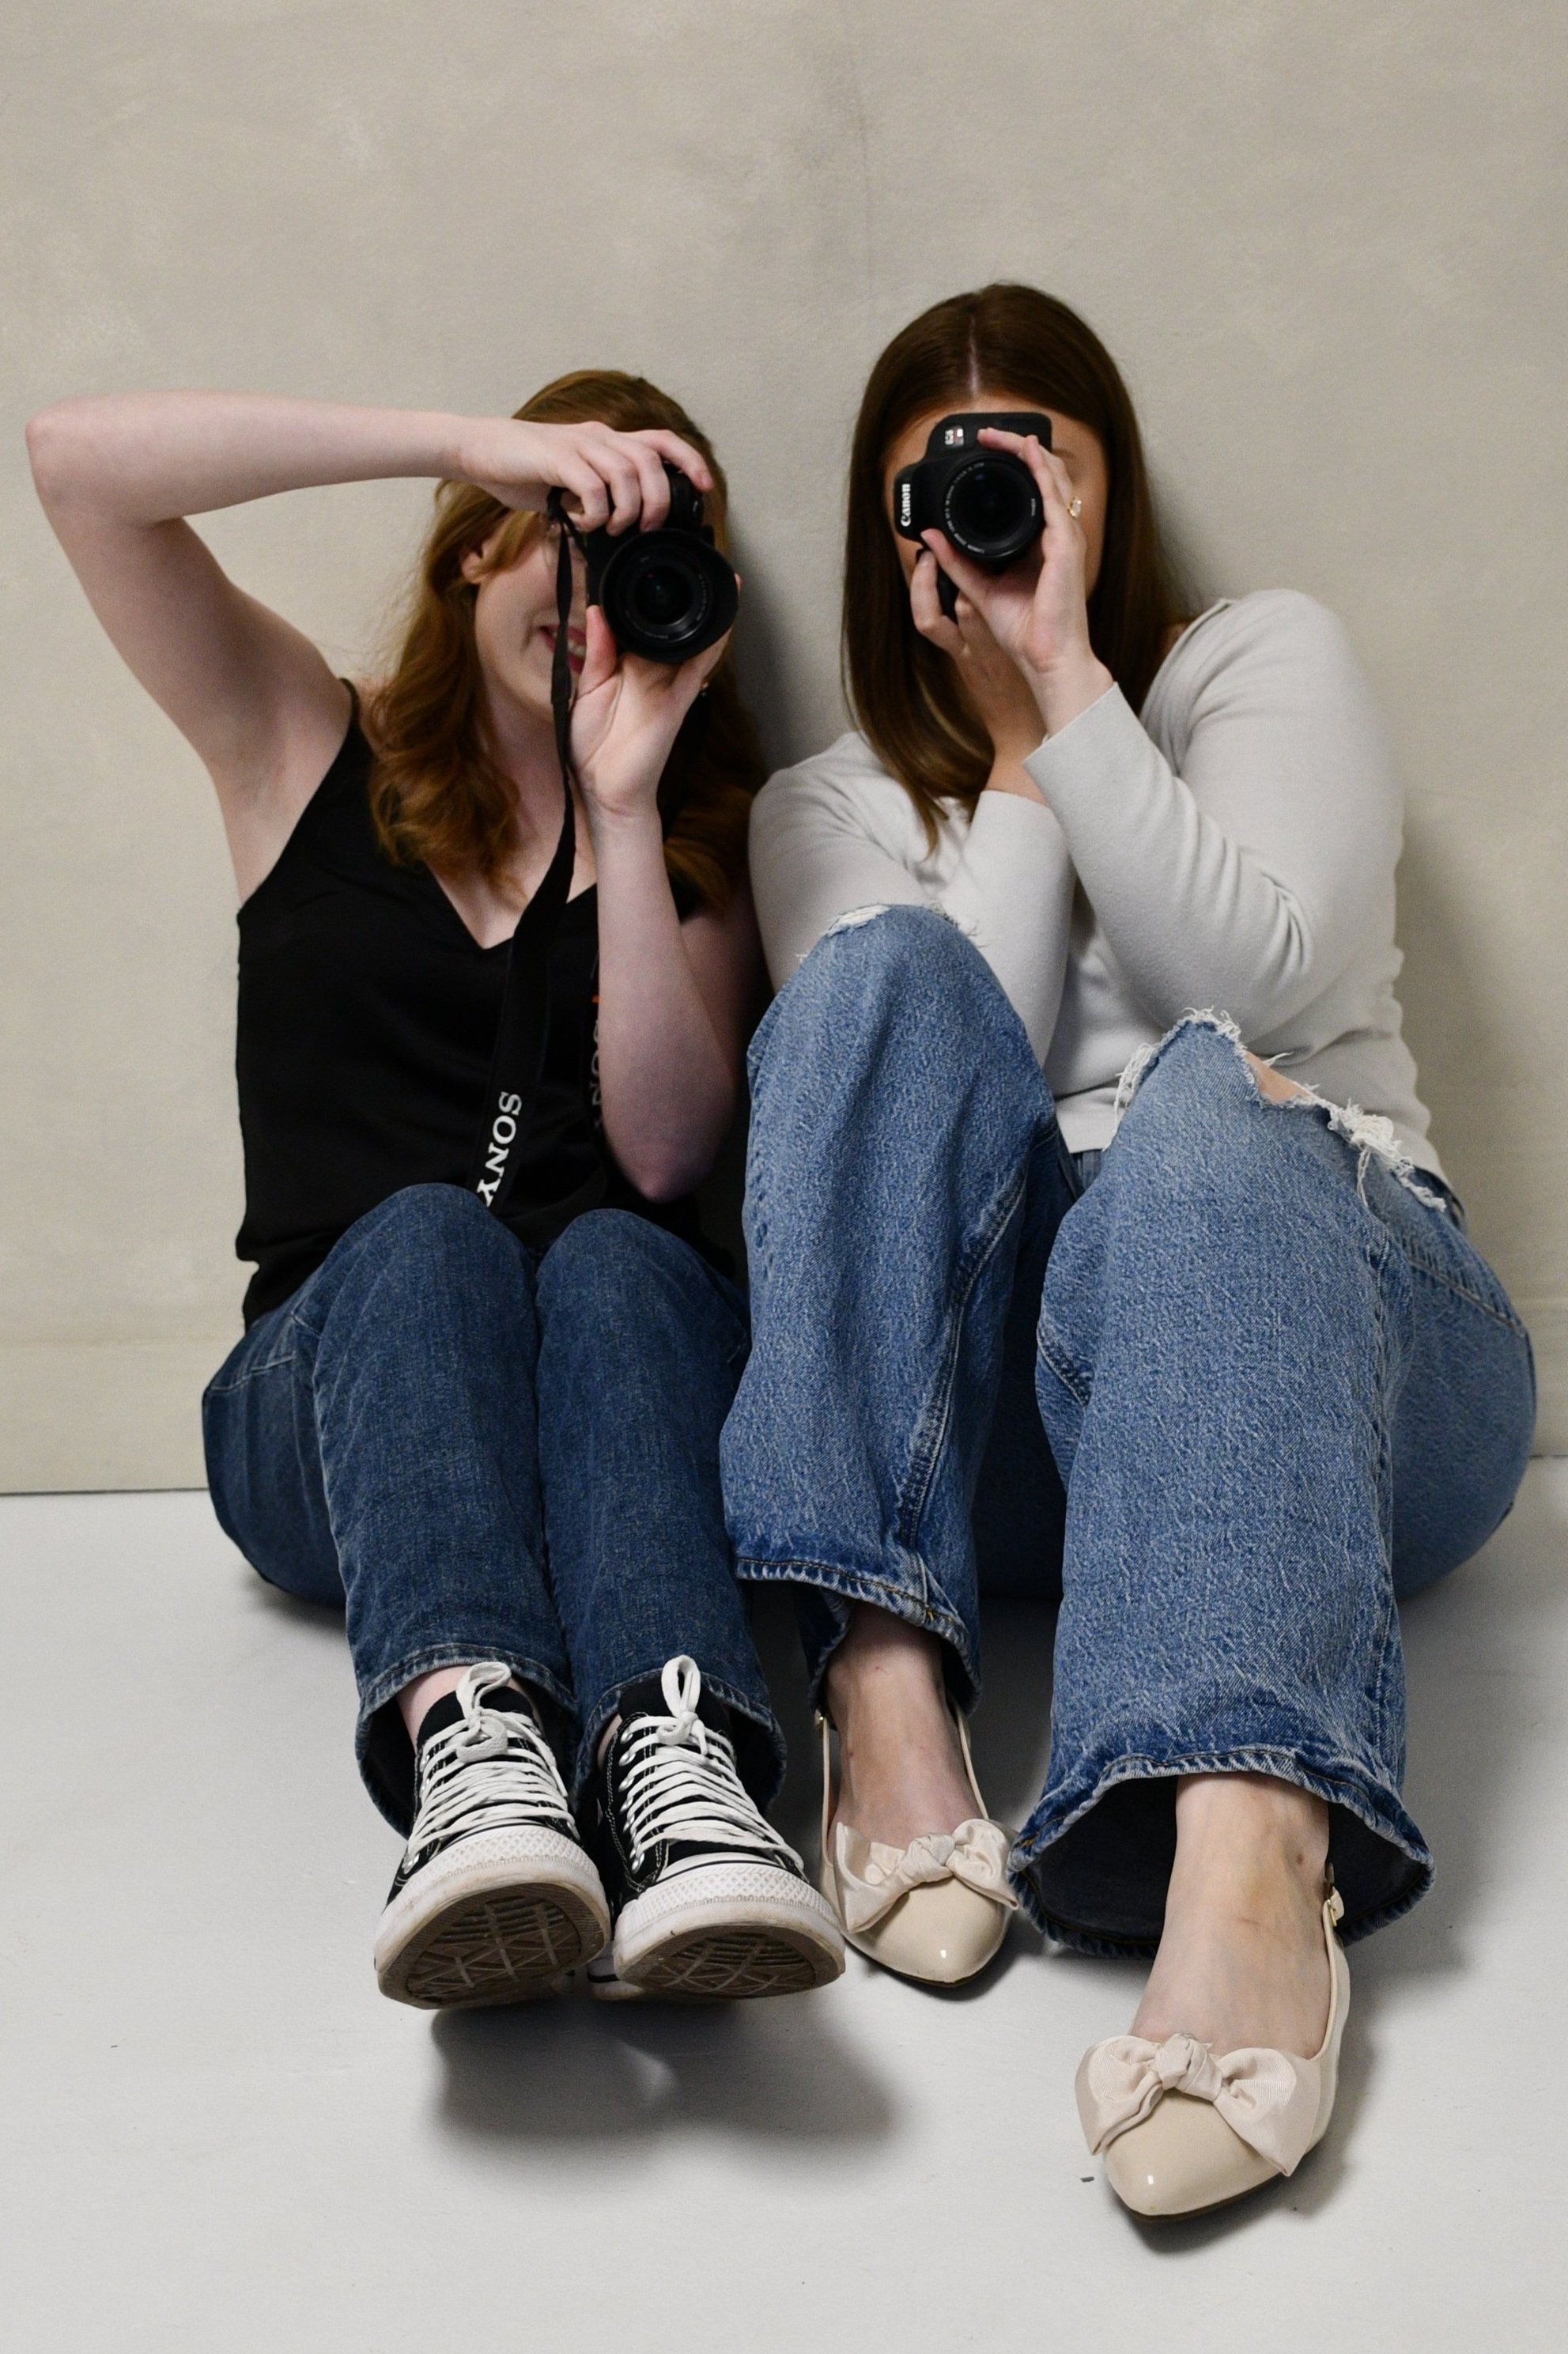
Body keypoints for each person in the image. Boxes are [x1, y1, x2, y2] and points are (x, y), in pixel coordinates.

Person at [725, 282, 1534, 2213]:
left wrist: (1068, 683)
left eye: (1036, 474)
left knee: (1202, 1099)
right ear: (883, 532)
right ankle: (882, 1691)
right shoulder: (824, 801)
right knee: (871, 993)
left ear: (1110, 493)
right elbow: (945, 1081)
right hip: (1007, 1434)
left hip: (1337, 1353)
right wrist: (1010, 753)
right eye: (944, 489)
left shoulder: (1255, 664)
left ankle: (1250, 1849)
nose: (992, 516)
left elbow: (1245, 976)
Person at [28, 372, 843, 2012]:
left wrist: (622, 805)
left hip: (606, 1430)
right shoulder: (302, 750)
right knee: (422, 1233)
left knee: (622, 1254)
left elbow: (667, 1159)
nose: (586, 586)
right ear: (476, 546)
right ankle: (474, 1755)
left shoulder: (698, 845)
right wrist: (467, 446)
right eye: (566, 529)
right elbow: (77, 466)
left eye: (639, 552)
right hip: (330, 1418)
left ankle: (678, 1768)